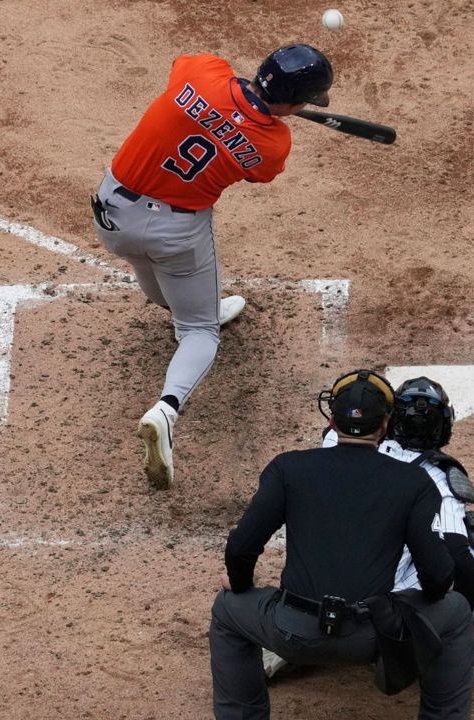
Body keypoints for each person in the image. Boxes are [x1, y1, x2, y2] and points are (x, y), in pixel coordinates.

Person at [89, 44, 334, 489]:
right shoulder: (273, 144)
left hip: (111, 214)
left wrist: (227, 107)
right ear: (298, 104)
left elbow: (187, 70)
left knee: (146, 264)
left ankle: (194, 306)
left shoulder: (202, 74)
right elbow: (257, 162)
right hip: (175, 233)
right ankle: (165, 409)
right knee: (200, 331)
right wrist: (265, 119)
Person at [209, 370, 474, 720]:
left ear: (332, 421)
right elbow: (437, 576)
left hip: (292, 630)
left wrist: (241, 587)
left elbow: (241, 547)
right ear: (384, 426)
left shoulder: (288, 468)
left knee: (227, 611)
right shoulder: (414, 481)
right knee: (455, 611)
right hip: (372, 635)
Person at [272, 376, 474, 679]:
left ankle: (294, 642)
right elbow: (455, 554)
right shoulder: (439, 478)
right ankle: (436, 650)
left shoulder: (339, 442)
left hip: (310, 599)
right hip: (377, 615)